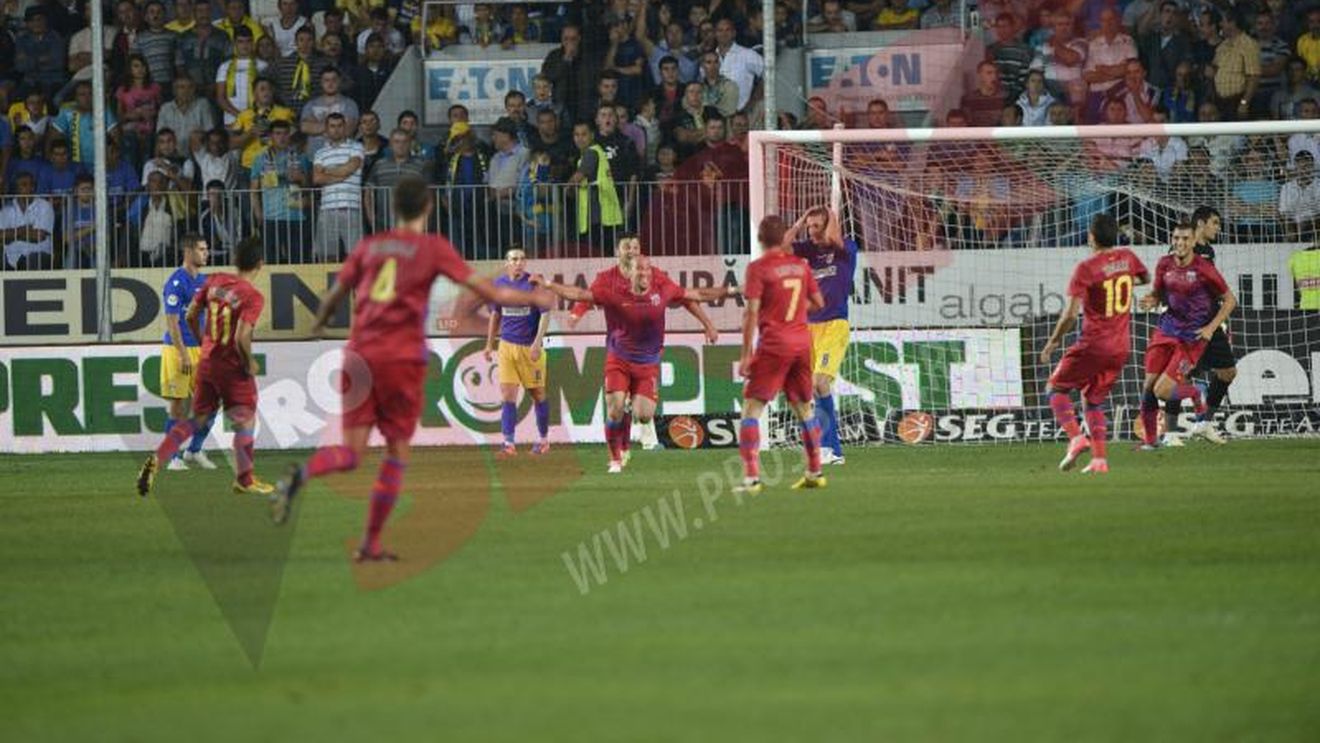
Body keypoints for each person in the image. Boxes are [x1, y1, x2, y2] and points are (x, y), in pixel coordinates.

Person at [271, 177, 555, 561]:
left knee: (351, 453)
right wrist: (536, 295)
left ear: (393, 208)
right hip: (399, 360)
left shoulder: (370, 246)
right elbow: (491, 294)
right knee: (395, 455)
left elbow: (336, 294)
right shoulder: (432, 247)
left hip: (357, 355)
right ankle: (370, 543)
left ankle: (300, 475)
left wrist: (319, 324)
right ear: (428, 207)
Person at [537, 255, 734, 473]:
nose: (645, 274)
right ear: (629, 273)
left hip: (647, 364)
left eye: (648, 269)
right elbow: (579, 294)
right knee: (614, 410)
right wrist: (548, 284)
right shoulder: (613, 293)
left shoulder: (662, 290)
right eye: (640, 270)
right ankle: (615, 460)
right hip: (618, 359)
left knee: (644, 415)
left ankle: (630, 407)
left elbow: (697, 294)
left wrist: (732, 291)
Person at [137, 236, 272, 497]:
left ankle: (162, 456)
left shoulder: (214, 281)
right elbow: (241, 337)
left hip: (207, 360)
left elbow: (190, 315)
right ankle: (245, 479)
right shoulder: (253, 296)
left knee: (198, 416)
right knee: (246, 419)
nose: (206, 253)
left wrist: (204, 344)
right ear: (260, 264)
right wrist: (249, 362)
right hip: (230, 366)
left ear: (234, 261)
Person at [1039, 214, 1149, 473]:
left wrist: (1053, 343)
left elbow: (1070, 315)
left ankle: (1076, 438)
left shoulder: (1087, 268)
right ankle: (1099, 460)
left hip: (1093, 343)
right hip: (1121, 347)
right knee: (1093, 400)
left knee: (1055, 389)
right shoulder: (1128, 258)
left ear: (1091, 237)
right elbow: (1145, 279)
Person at [736, 215, 827, 493]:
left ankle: (751, 479)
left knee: (751, 409)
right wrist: (796, 313)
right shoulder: (801, 266)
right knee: (803, 409)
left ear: (760, 239)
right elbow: (818, 303)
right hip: (802, 342)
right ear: (784, 237)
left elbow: (751, 312)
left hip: (775, 344)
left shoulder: (758, 268)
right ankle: (814, 471)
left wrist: (745, 355)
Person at [1137, 222, 1237, 449]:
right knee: (1149, 385)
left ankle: (1194, 395)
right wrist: (1149, 301)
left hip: (1191, 340)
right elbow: (1158, 294)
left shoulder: (1204, 268)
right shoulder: (1164, 263)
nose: (1180, 243)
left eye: (1185, 239)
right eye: (1176, 238)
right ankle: (1154, 441)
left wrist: (1211, 328)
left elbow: (1231, 300)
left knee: (1162, 390)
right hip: (1165, 331)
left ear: (1193, 241)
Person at [791, 207, 858, 466]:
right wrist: (801, 220)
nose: (812, 231)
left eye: (817, 226)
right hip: (810, 327)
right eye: (810, 227)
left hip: (834, 325)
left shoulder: (847, 249)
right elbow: (780, 247)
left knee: (820, 383)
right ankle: (832, 450)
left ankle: (829, 447)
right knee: (809, 389)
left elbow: (834, 237)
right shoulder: (809, 250)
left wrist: (831, 214)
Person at [485, 247, 552, 456]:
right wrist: (489, 344)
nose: (518, 262)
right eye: (514, 259)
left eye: (522, 259)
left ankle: (543, 440)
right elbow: (495, 315)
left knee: (537, 394)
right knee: (507, 394)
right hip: (506, 346)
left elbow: (545, 315)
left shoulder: (533, 284)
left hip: (529, 347)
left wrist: (536, 343)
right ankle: (508, 443)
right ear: (507, 262)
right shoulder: (498, 285)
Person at [159, 233, 217, 472]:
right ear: (188, 252)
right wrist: (183, 354)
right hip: (177, 350)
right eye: (202, 249)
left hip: (201, 350)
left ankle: (194, 450)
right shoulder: (175, 283)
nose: (206, 253)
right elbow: (172, 323)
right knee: (179, 406)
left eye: (206, 249)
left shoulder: (204, 282)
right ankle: (172, 457)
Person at [1182, 205, 1236, 443]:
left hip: (1211, 322)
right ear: (1201, 223)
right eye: (1214, 222)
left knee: (1227, 372)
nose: (1218, 227)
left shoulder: (1209, 251)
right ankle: (1166, 429)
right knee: (1178, 375)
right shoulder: (1185, 245)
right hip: (1191, 322)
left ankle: (1204, 423)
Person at [312, 113, 365, 260]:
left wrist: (327, 170)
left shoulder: (356, 147)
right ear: (327, 129)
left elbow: (350, 168)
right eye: (332, 126)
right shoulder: (320, 152)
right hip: (326, 210)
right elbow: (317, 178)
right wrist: (341, 175)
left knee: (355, 256)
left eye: (339, 126)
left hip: (351, 207)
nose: (336, 129)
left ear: (345, 127)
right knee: (327, 257)